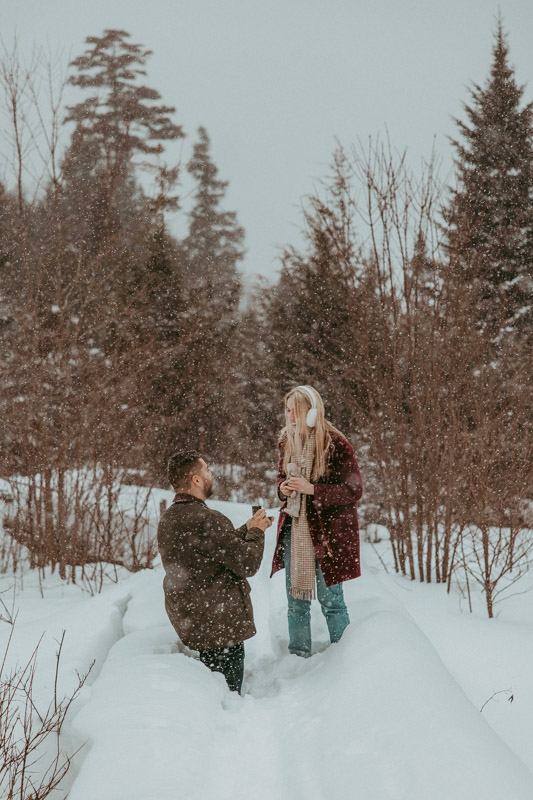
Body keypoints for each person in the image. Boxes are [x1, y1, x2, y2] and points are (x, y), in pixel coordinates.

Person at [157, 451, 273, 693]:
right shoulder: (208, 519)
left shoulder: (170, 518)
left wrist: (247, 528)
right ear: (196, 480)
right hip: (220, 625)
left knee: (212, 688)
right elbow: (247, 563)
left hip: (196, 621)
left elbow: (213, 549)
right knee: (228, 695)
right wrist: (257, 532)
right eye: (207, 470)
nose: (211, 474)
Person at [271, 385, 363, 657]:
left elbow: (353, 490)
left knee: (331, 600)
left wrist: (313, 489)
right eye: (287, 411)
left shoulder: (335, 443)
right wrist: (283, 488)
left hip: (328, 534)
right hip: (295, 528)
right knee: (296, 601)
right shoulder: (286, 440)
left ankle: (346, 659)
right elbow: (279, 476)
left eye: (294, 411)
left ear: (311, 413)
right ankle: (297, 659)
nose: (289, 417)